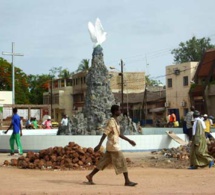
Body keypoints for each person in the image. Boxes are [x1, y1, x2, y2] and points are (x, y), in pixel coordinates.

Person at [86, 104, 137, 187]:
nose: (120, 112)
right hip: (114, 146)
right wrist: (99, 145)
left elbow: (119, 134)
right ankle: (127, 181)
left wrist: (129, 141)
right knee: (122, 161)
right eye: (119, 110)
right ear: (115, 111)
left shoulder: (116, 121)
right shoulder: (111, 121)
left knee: (103, 162)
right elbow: (105, 133)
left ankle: (90, 176)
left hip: (112, 146)